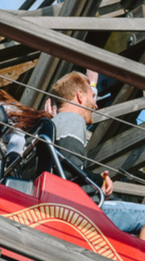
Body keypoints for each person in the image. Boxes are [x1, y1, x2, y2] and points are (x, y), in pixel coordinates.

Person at [49, 71, 145, 238]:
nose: (95, 105)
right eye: (92, 97)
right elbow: (71, 170)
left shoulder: (54, 123)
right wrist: (99, 181)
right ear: (80, 96)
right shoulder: (72, 119)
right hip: (78, 210)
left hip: (61, 204)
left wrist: (96, 180)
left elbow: (68, 165)